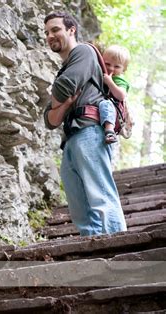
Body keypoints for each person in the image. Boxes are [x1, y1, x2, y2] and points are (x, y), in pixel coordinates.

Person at [43, 12, 127, 236]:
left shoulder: (84, 51)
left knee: (101, 196)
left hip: (90, 132)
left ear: (71, 30)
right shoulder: (65, 67)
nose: (50, 35)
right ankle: (97, 256)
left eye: (55, 29)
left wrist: (58, 101)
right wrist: (60, 104)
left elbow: (65, 87)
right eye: (47, 32)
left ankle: (120, 252)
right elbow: (49, 121)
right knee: (81, 209)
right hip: (71, 139)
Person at [98, 45, 131, 144]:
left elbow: (121, 95)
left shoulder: (119, 79)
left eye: (117, 66)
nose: (111, 68)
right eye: (107, 64)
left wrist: (109, 82)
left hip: (114, 109)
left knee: (106, 104)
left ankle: (109, 131)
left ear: (123, 69)